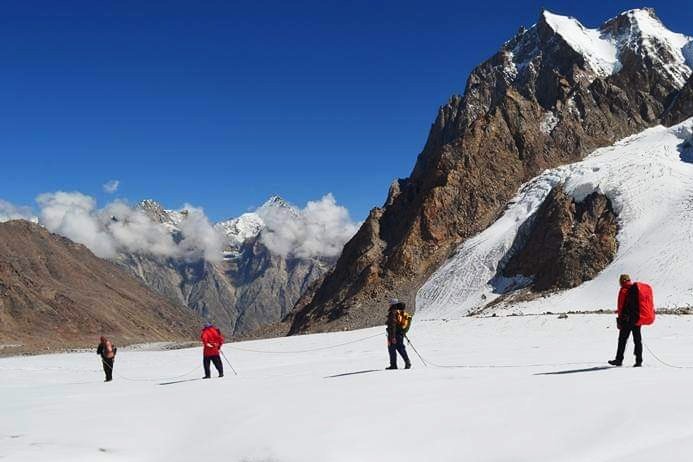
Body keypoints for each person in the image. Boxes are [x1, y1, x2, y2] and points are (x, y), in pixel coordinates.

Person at [609, 274, 643, 367]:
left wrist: (620, 319)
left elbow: (621, 306)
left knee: (622, 340)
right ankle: (639, 361)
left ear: (622, 281)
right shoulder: (636, 289)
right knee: (637, 340)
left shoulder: (623, 290)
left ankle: (619, 359)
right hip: (637, 319)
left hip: (626, 320)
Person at [386, 299, 411, 370]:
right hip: (399, 334)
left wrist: (393, 337)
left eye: (390, 303)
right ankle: (407, 362)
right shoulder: (399, 312)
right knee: (400, 348)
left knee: (392, 349)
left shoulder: (393, 312)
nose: (389, 304)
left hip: (394, 334)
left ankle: (394, 365)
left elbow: (393, 325)